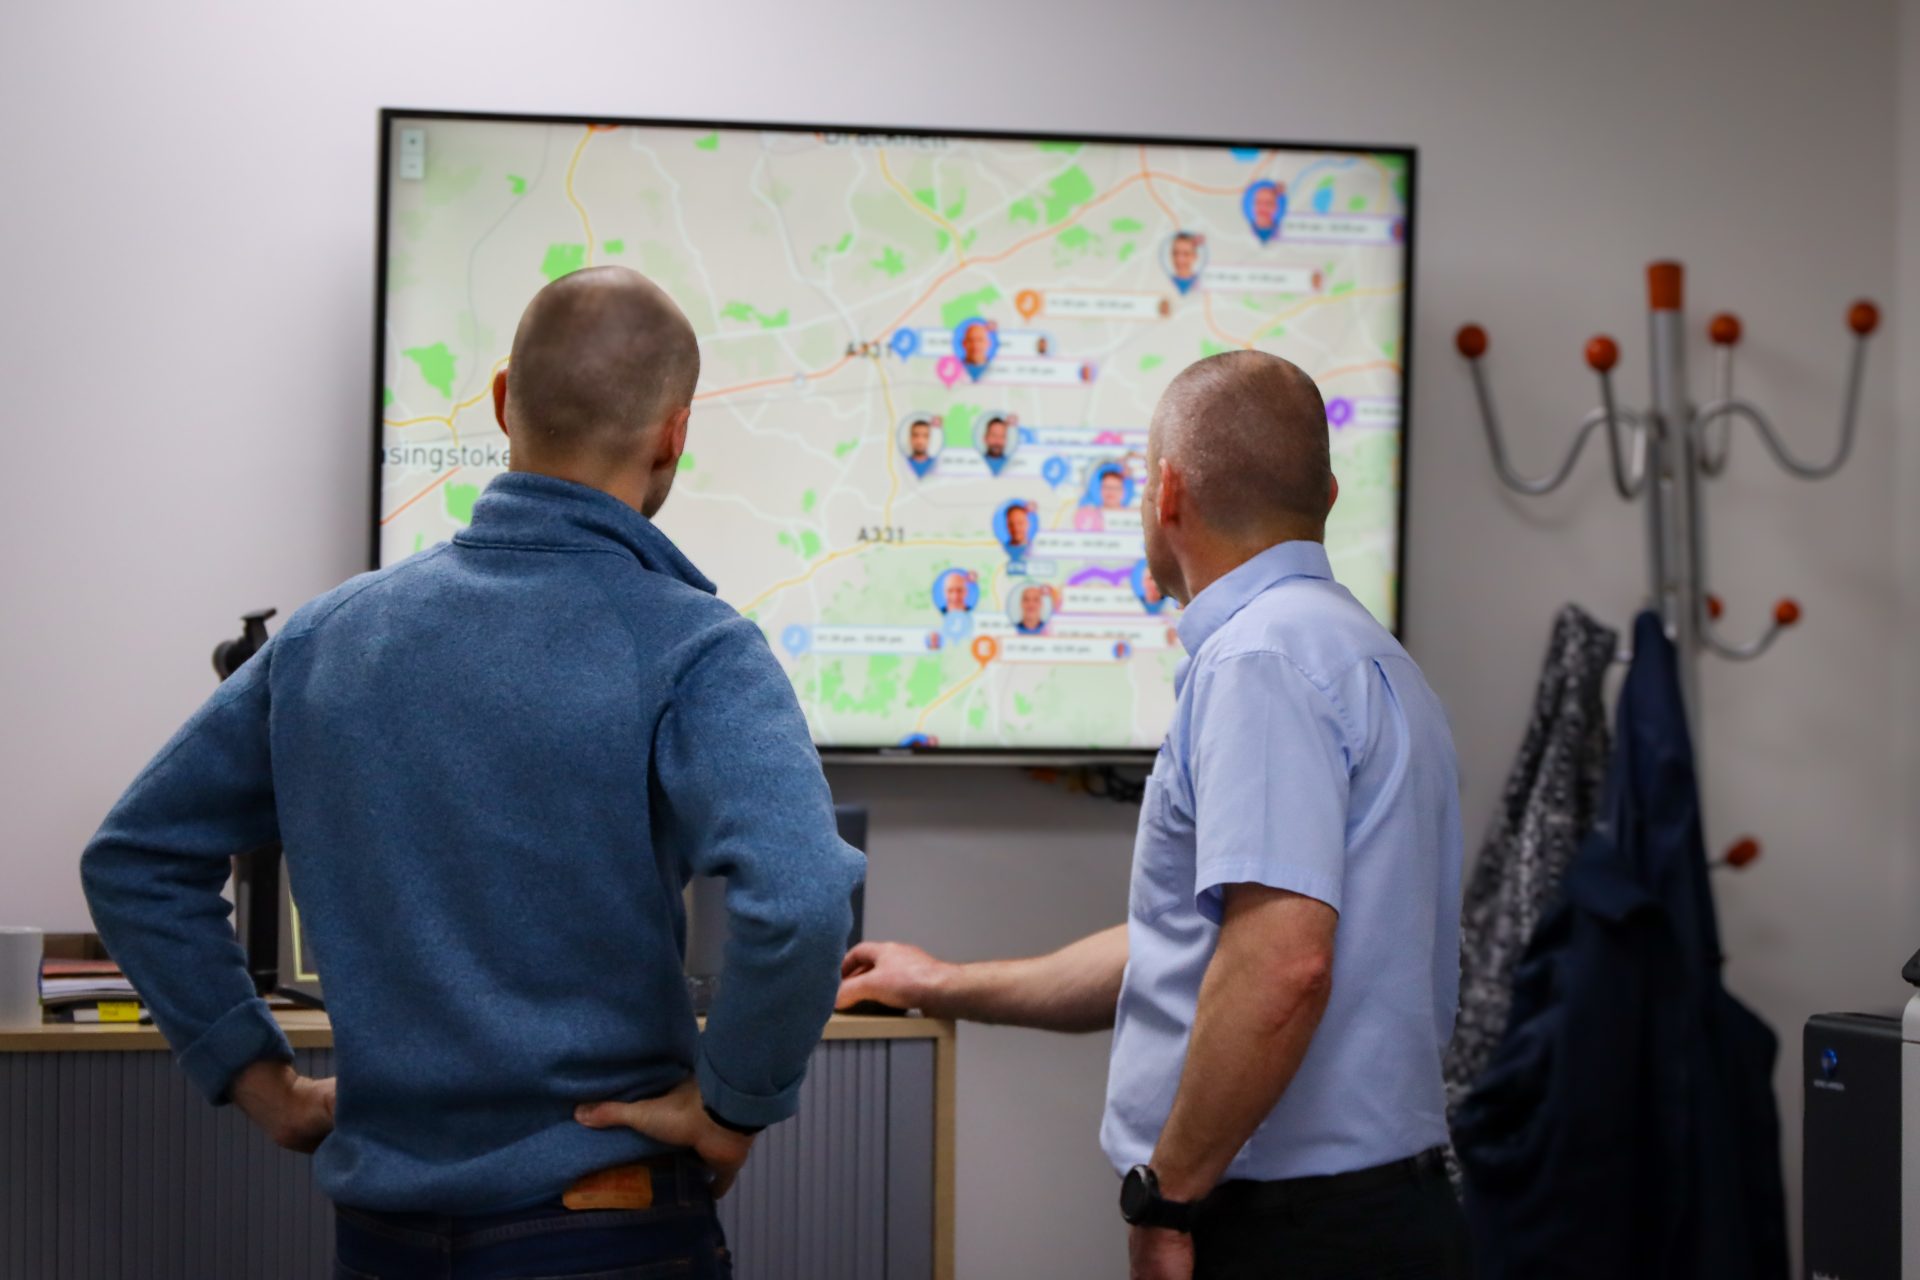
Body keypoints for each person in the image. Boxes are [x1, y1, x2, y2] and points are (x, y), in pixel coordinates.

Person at [81, 266, 865, 1279]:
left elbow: (134, 857)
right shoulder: (697, 645)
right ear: (675, 433)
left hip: (383, 1237)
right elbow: (801, 900)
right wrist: (732, 1104)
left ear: (501, 401)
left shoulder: (327, 637)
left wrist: (263, 1080)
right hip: (610, 1222)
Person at [841, 350, 1468, 1280]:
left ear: (1167, 492)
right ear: (1329, 497)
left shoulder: (1260, 661)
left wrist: (1167, 1199)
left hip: (1294, 1233)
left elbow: (1279, 965)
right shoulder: (1363, 653)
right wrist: (942, 982)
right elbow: (1196, 952)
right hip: (1378, 1213)